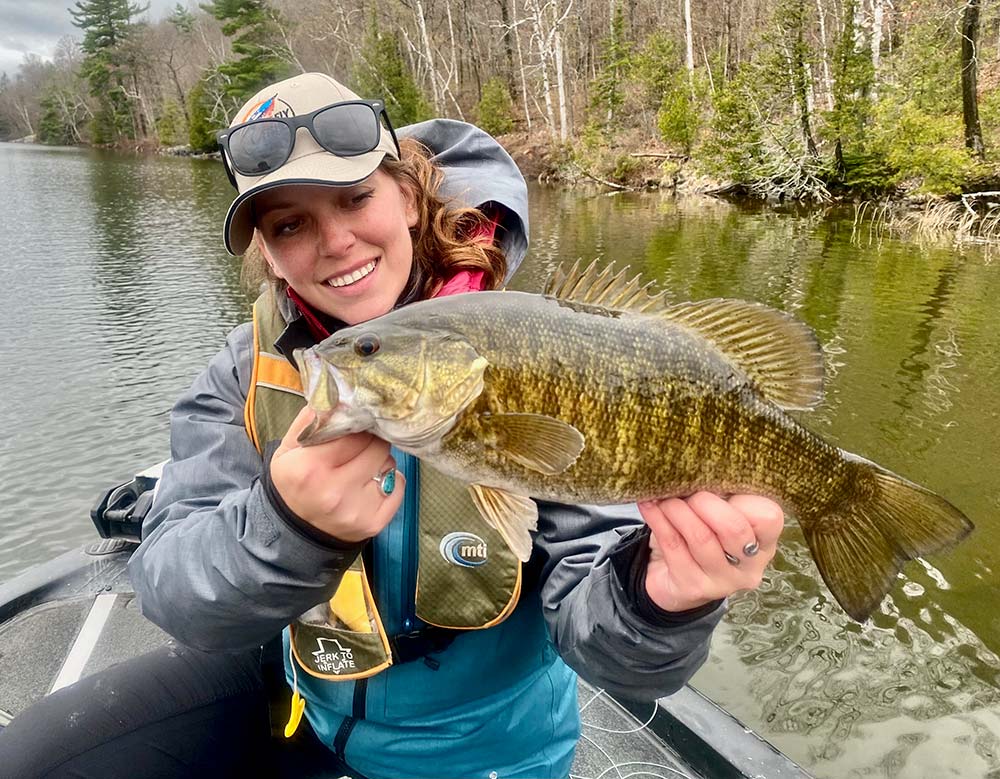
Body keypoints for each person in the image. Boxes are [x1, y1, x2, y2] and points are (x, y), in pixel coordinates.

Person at [0, 73, 784, 779]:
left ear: (409, 197)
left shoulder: (542, 353)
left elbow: (618, 656)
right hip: (306, 701)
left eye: (354, 198)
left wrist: (664, 601)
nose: (335, 241)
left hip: (483, 750)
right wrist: (285, 524)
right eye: (289, 225)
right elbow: (171, 587)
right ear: (270, 256)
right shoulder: (247, 370)